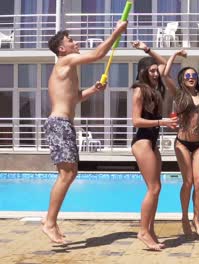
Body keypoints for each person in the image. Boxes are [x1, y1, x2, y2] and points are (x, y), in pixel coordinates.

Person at [42, 20, 127, 244]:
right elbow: (99, 54)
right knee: (67, 174)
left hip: (63, 123)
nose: (76, 42)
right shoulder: (66, 60)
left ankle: (51, 222)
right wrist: (116, 32)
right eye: (71, 41)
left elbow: (74, 98)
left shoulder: (67, 68)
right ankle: (49, 223)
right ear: (62, 49)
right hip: (60, 123)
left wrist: (93, 89)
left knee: (70, 174)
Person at [130, 41, 179, 250]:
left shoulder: (155, 88)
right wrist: (162, 122)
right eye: (151, 71)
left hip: (152, 141)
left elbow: (165, 65)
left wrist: (148, 49)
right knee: (154, 187)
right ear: (143, 72)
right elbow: (136, 121)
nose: (156, 73)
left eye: (156, 71)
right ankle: (143, 231)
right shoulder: (140, 91)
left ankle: (150, 229)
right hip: (142, 141)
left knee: (157, 189)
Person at [172, 66, 199, 236]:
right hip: (182, 143)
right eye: (187, 75)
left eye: (194, 75)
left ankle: (196, 218)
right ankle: (184, 216)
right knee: (188, 182)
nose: (191, 78)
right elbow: (174, 117)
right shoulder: (179, 96)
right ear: (182, 79)